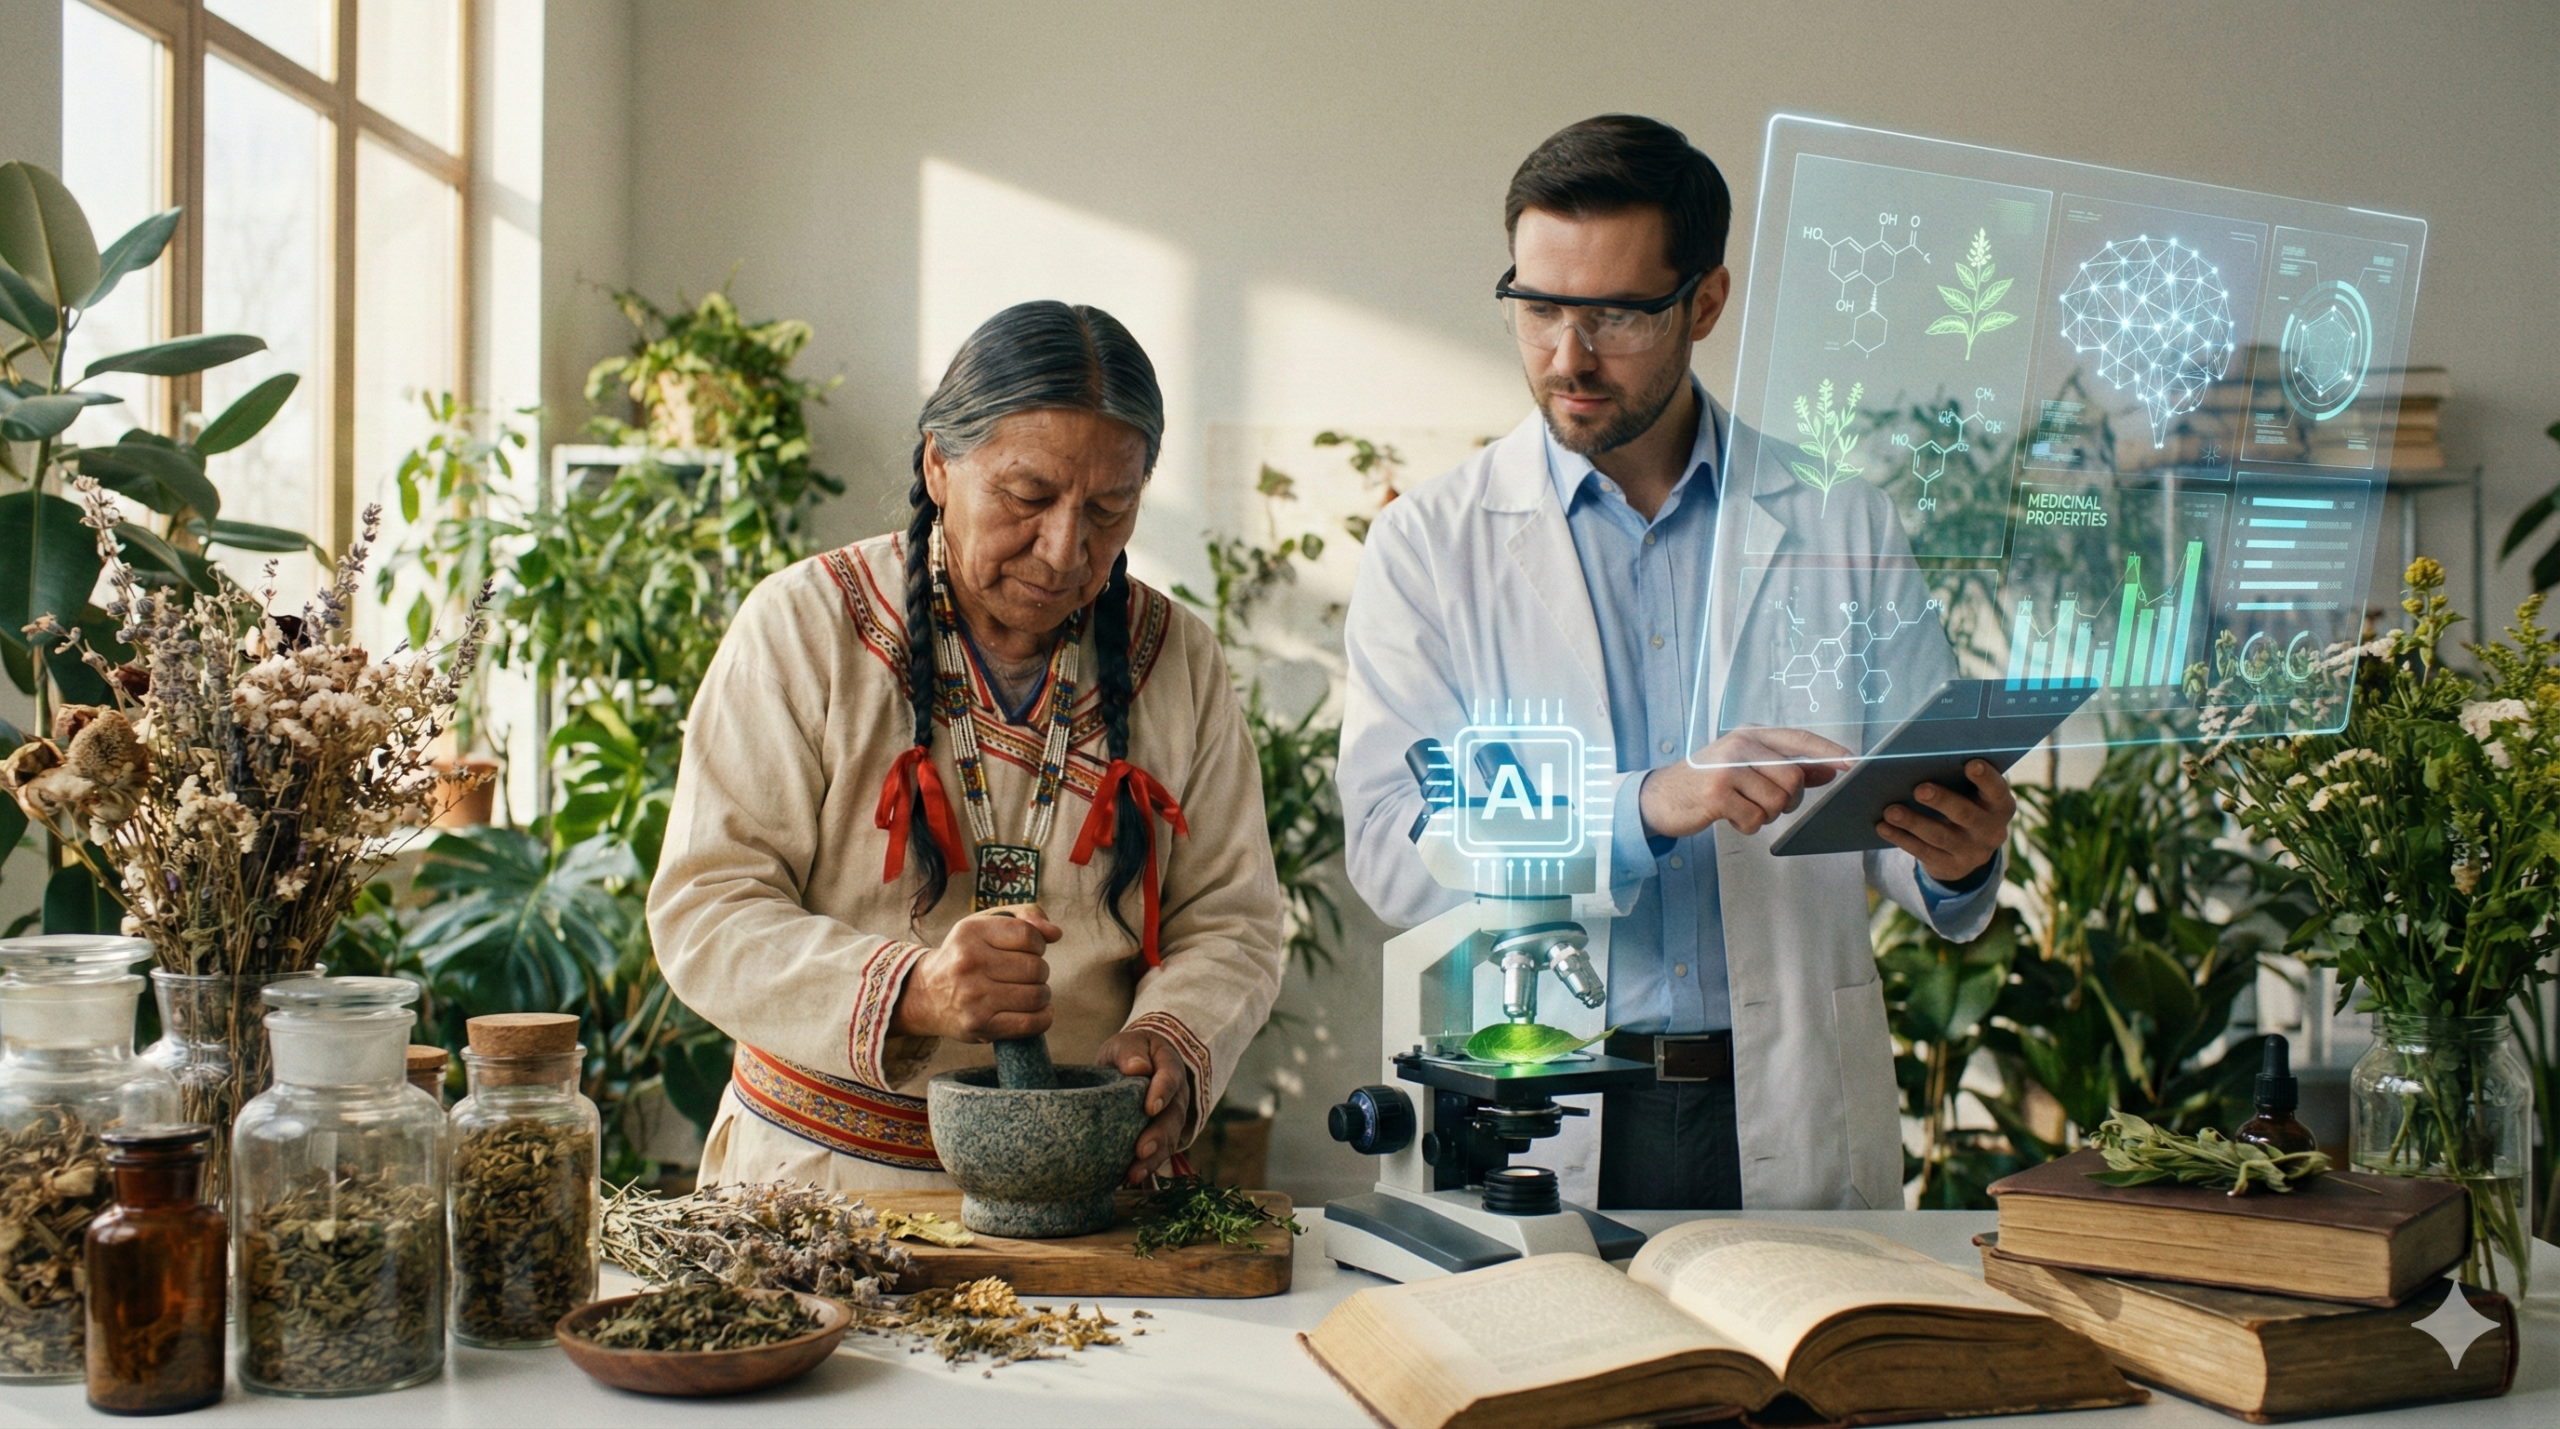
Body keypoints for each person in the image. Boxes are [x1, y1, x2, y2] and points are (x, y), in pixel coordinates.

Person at [1338, 115, 2015, 1212]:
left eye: (1615, 315)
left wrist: (1957, 856)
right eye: (1539, 307)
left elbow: (1899, 827)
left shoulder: (1842, 523)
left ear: (1704, 303)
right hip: (1540, 1097)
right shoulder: (1430, 546)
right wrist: (1646, 805)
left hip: (1789, 1099)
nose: (1568, 356)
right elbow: (1391, 847)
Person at [651, 300, 1285, 1193]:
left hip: (1082, 1199)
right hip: (816, 1190)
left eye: (1110, 509)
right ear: (938, 464)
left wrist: (1173, 1037)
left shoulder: (1175, 659)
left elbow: (1233, 920)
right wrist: (913, 990)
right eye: (1028, 497)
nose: (1065, 549)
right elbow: (708, 907)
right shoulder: (804, 628)